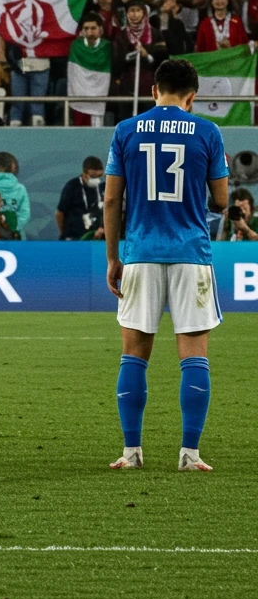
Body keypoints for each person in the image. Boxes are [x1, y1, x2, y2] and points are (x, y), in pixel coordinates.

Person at [104, 58, 229, 473]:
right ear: (192, 97)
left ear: (154, 90)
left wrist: (112, 257)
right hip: (191, 253)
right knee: (193, 355)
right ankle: (190, 454)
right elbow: (223, 200)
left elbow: (110, 201)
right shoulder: (208, 131)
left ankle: (131, 452)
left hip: (140, 252)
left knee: (134, 354)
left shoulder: (126, 130)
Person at [56, 157, 105, 241]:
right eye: (93, 176)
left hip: (96, 237)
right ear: (84, 173)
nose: (96, 179)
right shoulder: (72, 187)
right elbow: (60, 213)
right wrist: (63, 234)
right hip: (74, 237)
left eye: (99, 176)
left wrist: (102, 228)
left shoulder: (103, 187)